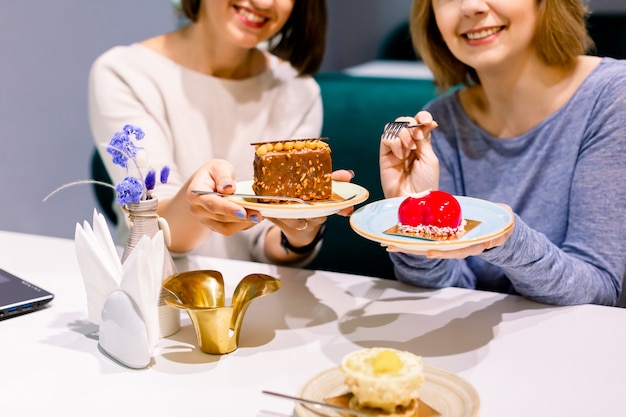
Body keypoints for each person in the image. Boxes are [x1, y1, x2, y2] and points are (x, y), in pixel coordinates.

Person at [379, 0, 626, 306]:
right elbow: (447, 290)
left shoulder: (614, 95)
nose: (470, 7)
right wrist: (415, 220)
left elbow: (599, 290)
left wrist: (503, 236)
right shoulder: (440, 120)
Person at [89, 0, 353, 266]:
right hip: (155, 287)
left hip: (254, 293)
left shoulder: (298, 91)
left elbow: (269, 242)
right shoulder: (124, 73)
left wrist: (300, 232)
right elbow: (159, 230)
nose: (263, 3)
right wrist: (198, 197)